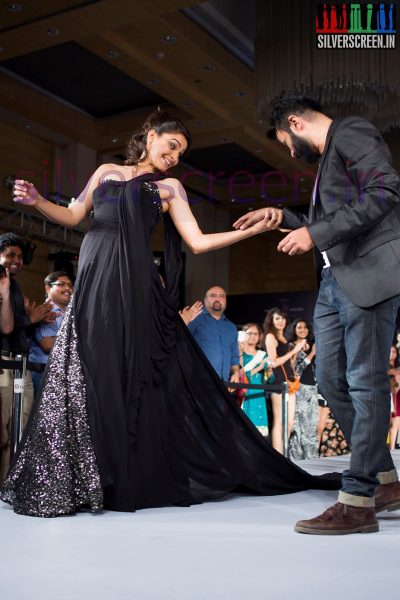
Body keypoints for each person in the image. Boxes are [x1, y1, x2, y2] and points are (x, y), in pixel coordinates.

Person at [1, 110, 339, 518]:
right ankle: (83, 476)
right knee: (87, 371)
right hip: (94, 280)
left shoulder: (170, 188)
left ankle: (121, 476)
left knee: (133, 372)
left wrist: (252, 231)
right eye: (172, 145)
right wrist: (38, 201)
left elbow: (197, 241)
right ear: (150, 135)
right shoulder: (106, 171)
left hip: (136, 285)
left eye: (181, 152)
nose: (175, 156)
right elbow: (73, 216)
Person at [234, 91, 400, 535]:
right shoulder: (330, 157)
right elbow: (333, 214)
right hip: (333, 281)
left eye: (286, 142)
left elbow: (386, 190)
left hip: (366, 275)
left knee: (365, 383)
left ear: (295, 122)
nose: (289, 151)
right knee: (329, 380)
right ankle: (384, 480)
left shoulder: (351, 130)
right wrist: (285, 218)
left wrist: (315, 232)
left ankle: (359, 501)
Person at [0, 232, 56, 485]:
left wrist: (34, 320)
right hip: (3, 366)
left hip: (19, 365)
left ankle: (10, 485)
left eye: (21, 257)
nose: (17, 260)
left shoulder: (15, 285)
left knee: (19, 431)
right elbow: (6, 327)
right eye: (11, 254)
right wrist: (29, 319)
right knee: (2, 432)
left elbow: (17, 327)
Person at [263, 308, 306, 453]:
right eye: (277, 319)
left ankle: (284, 452)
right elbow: (273, 362)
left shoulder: (284, 338)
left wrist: (296, 351)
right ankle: (278, 455)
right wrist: (294, 351)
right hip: (278, 383)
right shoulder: (270, 336)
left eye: (282, 318)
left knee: (289, 422)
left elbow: (288, 362)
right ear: (271, 321)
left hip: (291, 382)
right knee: (279, 421)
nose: (280, 321)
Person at [28, 271, 73, 397]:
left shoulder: (70, 314)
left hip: (64, 373)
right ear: (48, 288)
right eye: (61, 284)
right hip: (44, 373)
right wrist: (78, 339)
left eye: (70, 285)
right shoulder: (44, 312)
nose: (67, 288)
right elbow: (48, 344)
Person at [188, 286, 240, 385]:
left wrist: (236, 374)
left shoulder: (231, 327)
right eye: (213, 296)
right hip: (198, 384)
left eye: (222, 296)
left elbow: (234, 357)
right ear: (205, 300)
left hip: (224, 385)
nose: (218, 299)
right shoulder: (194, 320)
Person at [285, 319, 319, 460]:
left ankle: (311, 459)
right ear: (294, 330)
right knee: (297, 426)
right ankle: (296, 459)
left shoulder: (312, 345)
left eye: (305, 327)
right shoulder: (291, 346)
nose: (302, 330)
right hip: (298, 388)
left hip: (312, 388)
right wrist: (310, 354)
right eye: (299, 327)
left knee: (310, 426)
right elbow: (296, 371)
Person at [239, 322, 274, 437]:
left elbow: (270, 380)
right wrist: (259, 367)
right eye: (249, 333)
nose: (253, 336)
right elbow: (240, 377)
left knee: (259, 436)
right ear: (244, 335)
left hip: (258, 397)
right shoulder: (239, 354)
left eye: (256, 334)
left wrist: (268, 369)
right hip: (242, 396)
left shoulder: (263, 355)